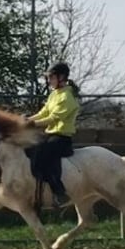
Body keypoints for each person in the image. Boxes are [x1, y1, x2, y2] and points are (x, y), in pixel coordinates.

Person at [26, 61, 81, 208]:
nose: (49, 81)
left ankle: (59, 192)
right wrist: (25, 120)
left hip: (61, 138)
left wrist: (32, 124)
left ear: (61, 77)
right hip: (50, 135)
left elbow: (54, 118)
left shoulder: (67, 97)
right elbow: (43, 113)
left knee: (42, 156)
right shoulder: (54, 94)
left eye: (51, 77)